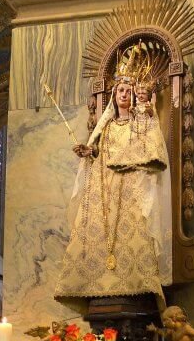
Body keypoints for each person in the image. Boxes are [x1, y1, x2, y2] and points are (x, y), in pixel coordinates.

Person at [54, 56, 172, 315]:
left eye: (129, 92)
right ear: (113, 95)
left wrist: (146, 118)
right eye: (120, 90)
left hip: (131, 188)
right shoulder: (104, 128)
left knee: (135, 234)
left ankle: (135, 281)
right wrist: (87, 151)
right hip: (105, 191)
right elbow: (97, 155)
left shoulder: (140, 123)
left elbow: (153, 152)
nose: (124, 95)